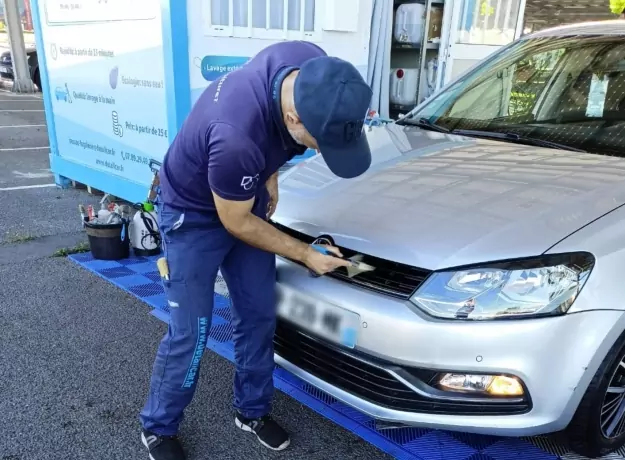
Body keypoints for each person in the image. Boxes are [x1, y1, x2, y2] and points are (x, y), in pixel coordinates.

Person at [138, 40, 373, 460]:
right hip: (193, 215)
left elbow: (275, 144)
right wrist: (303, 253)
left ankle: (252, 411)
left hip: (240, 192)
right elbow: (237, 222)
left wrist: (270, 172)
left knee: (259, 314)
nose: (320, 151)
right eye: (320, 143)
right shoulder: (235, 138)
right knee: (192, 331)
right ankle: (158, 426)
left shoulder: (309, 63)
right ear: (293, 117)